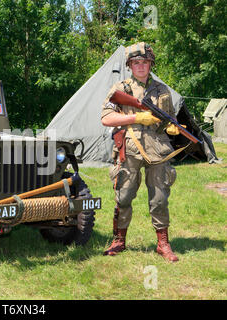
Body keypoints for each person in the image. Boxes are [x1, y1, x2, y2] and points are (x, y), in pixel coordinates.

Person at [101, 42, 181, 262]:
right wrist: (136, 117)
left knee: (159, 199)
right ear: (130, 65)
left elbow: (169, 118)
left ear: (150, 64)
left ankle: (162, 243)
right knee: (124, 196)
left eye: (145, 62)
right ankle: (119, 239)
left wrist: (171, 127)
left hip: (159, 151)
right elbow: (106, 118)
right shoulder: (121, 89)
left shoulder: (162, 90)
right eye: (136, 62)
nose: (141, 66)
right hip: (131, 150)